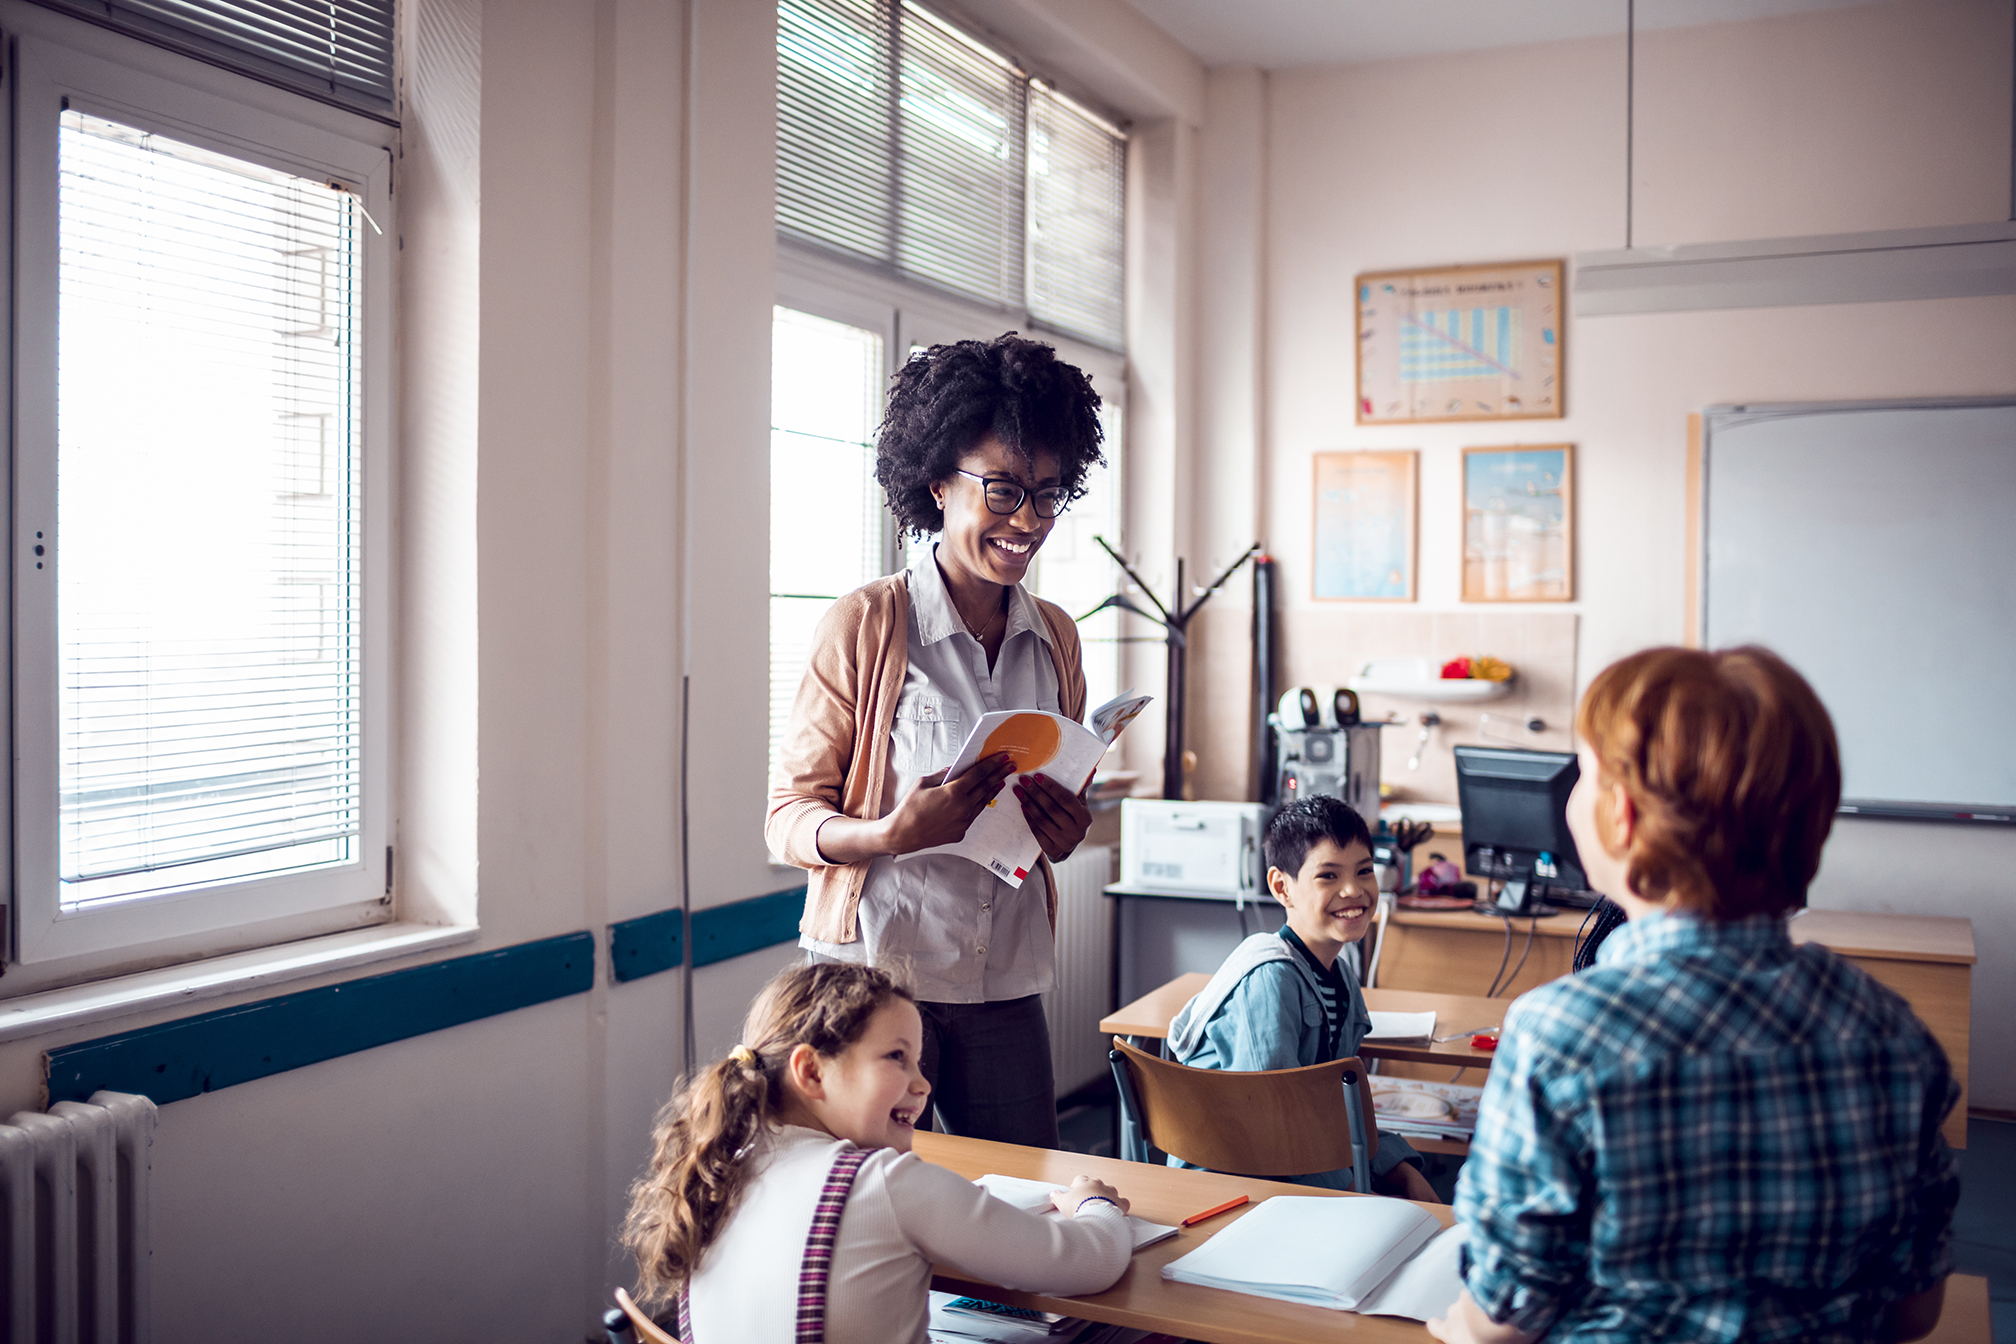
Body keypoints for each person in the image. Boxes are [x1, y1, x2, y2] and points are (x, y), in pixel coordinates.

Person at [1428, 647, 1959, 1344]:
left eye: (1583, 775)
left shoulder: (1560, 1034)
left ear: (1621, 815)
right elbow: (1915, 1312)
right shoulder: (1895, 1035)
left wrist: (1456, 1328)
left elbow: (1503, 1317)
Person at [768, 333, 1106, 1148]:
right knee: (867, 1209)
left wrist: (1066, 828)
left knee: (1020, 1199)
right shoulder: (868, 626)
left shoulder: (1056, 637)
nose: (1027, 520)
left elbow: (1053, 804)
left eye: (1047, 494)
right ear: (937, 487)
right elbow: (786, 816)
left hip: (1003, 985)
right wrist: (888, 834)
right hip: (873, 981)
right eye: (1001, 490)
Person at [621, 963, 1133, 1344]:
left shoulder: (721, 1171)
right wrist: (1096, 1204)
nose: (923, 1082)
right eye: (897, 1058)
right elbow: (1091, 1261)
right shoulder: (886, 1182)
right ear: (812, 1072)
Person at [1165, 796, 1437, 1202]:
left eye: (1365, 871)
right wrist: (1357, 1195)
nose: (1354, 890)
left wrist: (1396, 1168)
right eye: (1328, 876)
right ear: (1282, 887)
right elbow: (1272, 1129)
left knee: (1414, 1186)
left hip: (1301, 1156)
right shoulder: (1270, 979)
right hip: (1235, 1179)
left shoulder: (1340, 975)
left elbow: (1331, 1111)